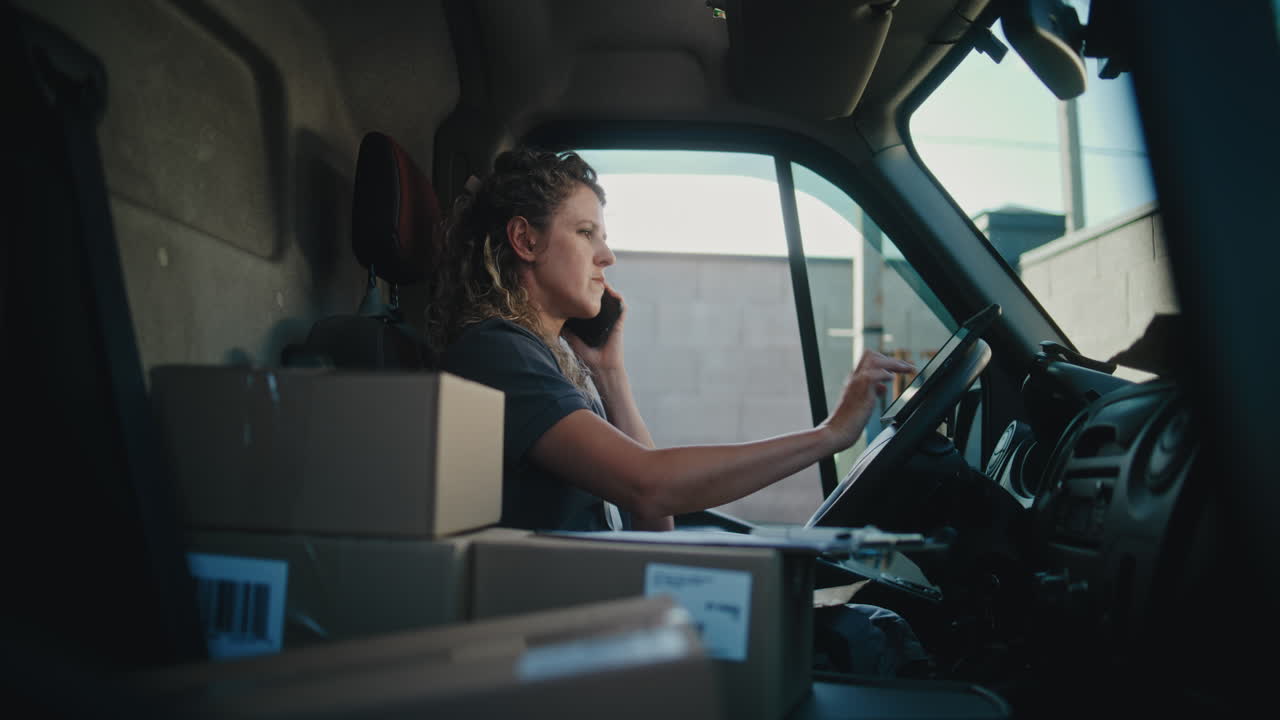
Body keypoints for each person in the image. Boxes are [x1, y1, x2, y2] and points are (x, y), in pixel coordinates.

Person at [428, 148, 914, 532]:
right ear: (526, 241)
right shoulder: (497, 353)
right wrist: (828, 436)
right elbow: (650, 487)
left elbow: (654, 525)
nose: (607, 256)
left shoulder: (546, 359)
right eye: (585, 233)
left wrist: (610, 374)